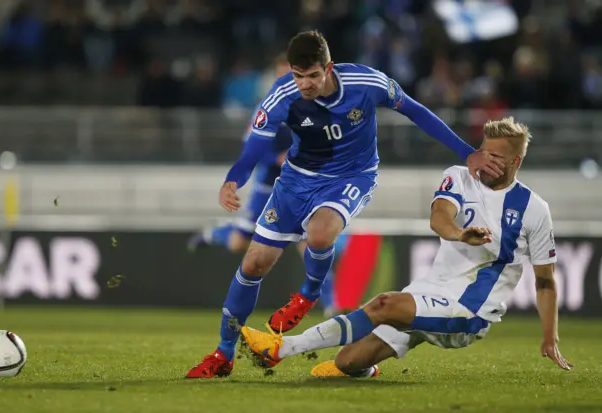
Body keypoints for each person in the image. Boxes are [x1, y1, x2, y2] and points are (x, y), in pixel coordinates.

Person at [185, 31, 503, 379]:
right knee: (253, 264)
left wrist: (467, 152)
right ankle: (223, 352)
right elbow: (254, 149)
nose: (304, 84)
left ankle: (309, 293)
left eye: (312, 75)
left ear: (328, 68)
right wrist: (234, 179)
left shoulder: (367, 83)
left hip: (351, 177)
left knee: (320, 236)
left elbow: (417, 112)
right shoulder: (282, 96)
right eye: (297, 75)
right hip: (296, 180)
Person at [240, 117, 573, 377]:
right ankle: (365, 370)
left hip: (470, 309)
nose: (485, 160)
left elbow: (545, 281)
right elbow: (439, 217)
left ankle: (280, 349)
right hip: (429, 292)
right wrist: (458, 234)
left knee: (383, 303)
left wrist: (549, 336)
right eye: (483, 151)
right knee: (348, 361)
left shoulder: (534, 209)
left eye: (496, 157)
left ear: (516, 162)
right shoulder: (460, 176)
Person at [186, 54, 341, 316]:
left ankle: (332, 304)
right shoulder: (268, 109)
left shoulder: (318, 104)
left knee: (312, 245)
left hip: (304, 188)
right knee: (238, 243)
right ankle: (215, 233)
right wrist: (280, 158)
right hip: (270, 189)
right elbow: (254, 149)